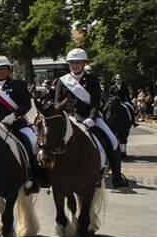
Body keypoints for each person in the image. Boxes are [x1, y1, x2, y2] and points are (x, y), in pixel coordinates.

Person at [55, 48, 128, 188]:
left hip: (89, 117)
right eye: (72, 63)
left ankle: (117, 176)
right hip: (69, 117)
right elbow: (58, 102)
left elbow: (95, 102)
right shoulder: (62, 81)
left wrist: (92, 118)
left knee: (113, 140)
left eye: (78, 63)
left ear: (83, 63)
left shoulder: (92, 80)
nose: (75, 66)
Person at [0, 56, 44, 193]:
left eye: (4, 69)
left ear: (9, 70)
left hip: (18, 124)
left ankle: (34, 177)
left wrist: (14, 116)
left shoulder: (19, 85)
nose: (1, 72)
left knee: (33, 143)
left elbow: (26, 105)